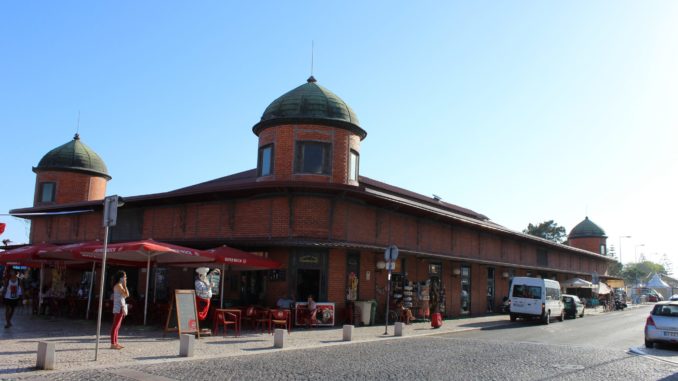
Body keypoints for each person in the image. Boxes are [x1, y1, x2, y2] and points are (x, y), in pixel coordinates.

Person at [110, 270, 129, 350]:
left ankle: (115, 342)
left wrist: (125, 285)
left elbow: (127, 294)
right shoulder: (118, 285)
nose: (125, 278)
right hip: (118, 307)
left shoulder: (120, 285)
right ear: (121, 278)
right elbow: (126, 294)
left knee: (118, 326)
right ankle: (112, 343)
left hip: (120, 307)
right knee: (115, 326)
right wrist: (125, 285)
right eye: (124, 277)